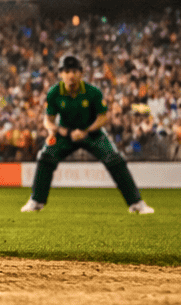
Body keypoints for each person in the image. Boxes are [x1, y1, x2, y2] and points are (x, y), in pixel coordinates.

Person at [22, 54, 154, 214]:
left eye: (74, 71)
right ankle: (36, 201)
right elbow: (47, 120)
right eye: (67, 71)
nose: (71, 75)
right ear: (61, 74)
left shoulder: (93, 92)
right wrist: (55, 130)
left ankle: (136, 203)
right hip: (65, 134)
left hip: (92, 132)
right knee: (45, 157)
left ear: (81, 73)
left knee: (115, 159)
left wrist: (85, 131)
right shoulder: (54, 92)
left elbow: (103, 117)